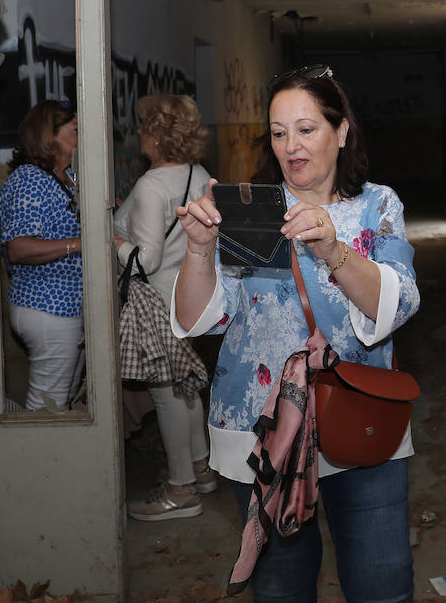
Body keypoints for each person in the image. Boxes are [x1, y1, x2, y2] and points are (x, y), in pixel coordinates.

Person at [172, 64, 420, 603]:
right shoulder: (251, 210)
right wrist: (197, 249)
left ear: (342, 131)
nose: (292, 146)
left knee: (383, 582)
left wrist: (334, 250)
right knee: (281, 588)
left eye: (307, 129)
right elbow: (198, 320)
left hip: (360, 416)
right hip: (262, 429)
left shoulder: (377, 207)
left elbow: (395, 306)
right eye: (280, 133)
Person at [114, 93, 217, 520]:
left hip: (157, 301)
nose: (138, 132)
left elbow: (145, 259)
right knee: (187, 386)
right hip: (192, 295)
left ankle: (181, 490)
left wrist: (114, 239)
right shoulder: (199, 173)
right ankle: (201, 466)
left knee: (167, 394)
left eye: (143, 125)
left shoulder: (151, 186)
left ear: (157, 133)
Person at [0, 99, 85, 411]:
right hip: (47, 307)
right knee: (46, 409)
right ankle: (36, 461)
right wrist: (80, 243)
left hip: (65, 308)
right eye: (75, 130)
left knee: (62, 401)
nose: (83, 136)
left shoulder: (68, 176)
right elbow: (19, 248)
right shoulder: (30, 180)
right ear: (50, 136)